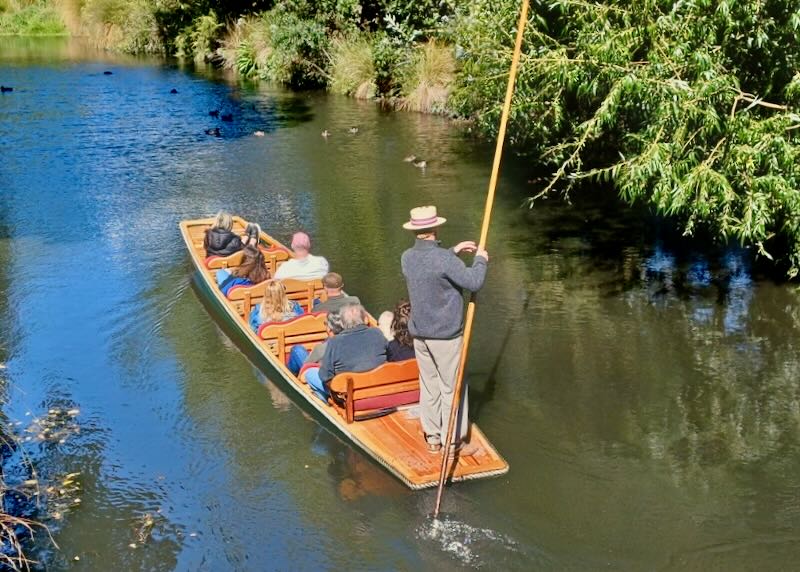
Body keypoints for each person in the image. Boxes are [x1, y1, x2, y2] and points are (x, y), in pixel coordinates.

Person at [400, 205, 488, 454]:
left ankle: (433, 438)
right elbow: (474, 281)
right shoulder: (444, 260)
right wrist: (481, 260)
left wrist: (454, 251)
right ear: (435, 228)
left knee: (429, 386)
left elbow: (430, 266)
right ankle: (452, 441)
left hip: (420, 335)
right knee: (452, 387)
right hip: (445, 336)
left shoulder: (407, 257)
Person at [304, 303, 387, 402]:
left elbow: (325, 376)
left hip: (348, 396)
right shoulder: (377, 333)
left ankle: (324, 399)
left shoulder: (335, 342)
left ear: (343, 322)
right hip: (376, 388)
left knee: (309, 374)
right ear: (363, 318)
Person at [287, 310, 345, 375]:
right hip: (341, 376)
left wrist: (314, 352)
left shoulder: (321, 348)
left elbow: (306, 367)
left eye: (325, 324)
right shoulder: (350, 342)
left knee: (296, 349)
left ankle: (290, 377)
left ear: (329, 329)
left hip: (320, 377)